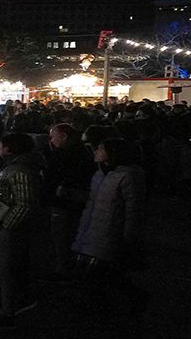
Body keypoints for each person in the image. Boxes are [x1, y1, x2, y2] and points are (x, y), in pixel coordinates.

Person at [72, 137, 147, 319]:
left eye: (100, 149)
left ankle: (99, 310)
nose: (96, 151)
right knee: (104, 273)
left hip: (111, 231)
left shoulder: (127, 176)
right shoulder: (102, 174)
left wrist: (129, 237)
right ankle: (127, 298)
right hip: (95, 230)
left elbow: (133, 210)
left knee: (96, 274)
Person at [0, 133, 43, 330]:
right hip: (0, 224)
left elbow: (25, 204)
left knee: (4, 269)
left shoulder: (20, 170)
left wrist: (7, 226)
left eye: (1, 145)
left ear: (10, 148)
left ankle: (9, 308)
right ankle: (16, 298)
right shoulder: (15, 167)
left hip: (7, 227)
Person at [43, 122, 93, 278]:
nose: (51, 141)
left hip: (63, 201)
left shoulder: (63, 154)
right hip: (77, 200)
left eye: (53, 137)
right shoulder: (85, 151)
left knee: (62, 236)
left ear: (64, 137)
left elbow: (51, 177)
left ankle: (64, 269)